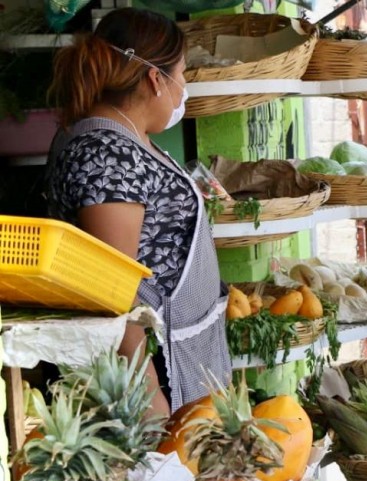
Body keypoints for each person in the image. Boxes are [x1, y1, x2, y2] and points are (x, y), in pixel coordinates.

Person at [46, 7, 232, 416]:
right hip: (153, 378)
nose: (184, 88)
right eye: (181, 74)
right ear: (155, 79)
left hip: (182, 363)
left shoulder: (126, 138)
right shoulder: (105, 155)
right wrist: (149, 401)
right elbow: (114, 293)